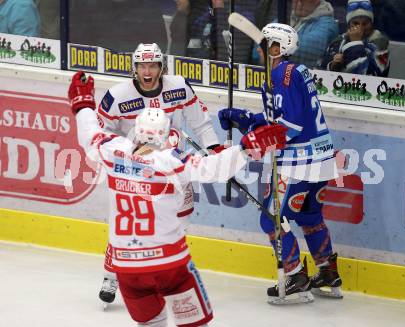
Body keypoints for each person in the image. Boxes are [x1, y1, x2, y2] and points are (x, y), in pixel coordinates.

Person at [67, 70, 287, 326]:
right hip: (168, 265)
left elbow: (89, 133)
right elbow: (212, 168)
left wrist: (83, 105)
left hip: (127, 270)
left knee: (151, 324)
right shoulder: (171, 162)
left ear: (137, 131)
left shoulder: (112, 151)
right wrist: (246, 150)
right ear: (164, 135)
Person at [218, 23, 342, 303]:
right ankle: (327, 271)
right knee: (309, 216)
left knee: (272, 218)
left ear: (276, 48)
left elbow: (291, 125)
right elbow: (283, 117)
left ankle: (296, 275)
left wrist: (254, 139)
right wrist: (248, 119)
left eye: (263, 44)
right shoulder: (294, 72)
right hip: (321, 158)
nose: (257, 49)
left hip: (298, 163)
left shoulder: (280, 74)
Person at [96, 42, 226, 307]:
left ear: (161, 67)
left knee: (179, 219)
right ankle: (112, 275)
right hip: (135, 170)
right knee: (129, 221)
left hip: (172, 167)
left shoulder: (178, 86)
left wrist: (214, 147)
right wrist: (122, 152)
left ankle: (166, 272)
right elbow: (102, 131)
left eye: (153, 65)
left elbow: (199, 120)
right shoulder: (117, 95)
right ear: (135, 69)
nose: (147, 70)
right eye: (142, 65)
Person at [320, 0, 390, 77]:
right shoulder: (337, 42)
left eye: (365, 23)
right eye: (356, 23)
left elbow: (368, 76)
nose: (361, 28)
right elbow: (321, 72)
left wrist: (356, 43)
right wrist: (333, 66)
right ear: (349, 25)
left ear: (371, 24)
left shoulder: (381, 45)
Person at [289, 0, 338, 68]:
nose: (299, 4)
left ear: (316, 1)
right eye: (295, 0)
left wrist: (277, 42)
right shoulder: (287, 18)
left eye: (303, 1)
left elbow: (310, 48)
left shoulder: (328, 24)